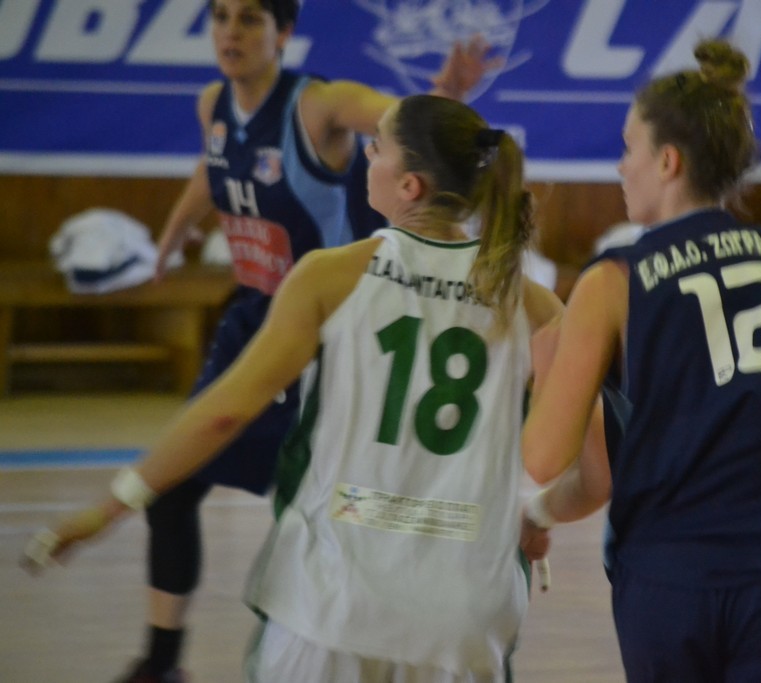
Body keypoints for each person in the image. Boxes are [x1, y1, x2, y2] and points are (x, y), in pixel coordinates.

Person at [25, 93, 563, 682]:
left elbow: (223, 413)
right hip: (465, 614)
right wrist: (538, 514)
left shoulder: (329, 277)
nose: (366, 155)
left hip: (333, 601)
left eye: (378, 147)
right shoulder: (537, 307)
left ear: (409, 186)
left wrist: (111, 506)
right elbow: (574, 457)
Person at [117, 1, 498, 680]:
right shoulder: (212, 104)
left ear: (283, 33)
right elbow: (211, 170)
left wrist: (448, 91)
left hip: (328, 331)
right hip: (251, 320)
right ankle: (161, 662)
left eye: (249, 19)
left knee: (316, 504)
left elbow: (407, 125)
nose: (231, 32)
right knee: (172, 487)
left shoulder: (321, 105)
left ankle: (320, 647)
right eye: (221, 17)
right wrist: (171, 238)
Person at [519, 39, 761, 683]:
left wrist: (547, 371)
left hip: (675, 577)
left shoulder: (613, 282)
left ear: (667, 161)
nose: (620, 166)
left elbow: (544, 458)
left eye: (628, 148)